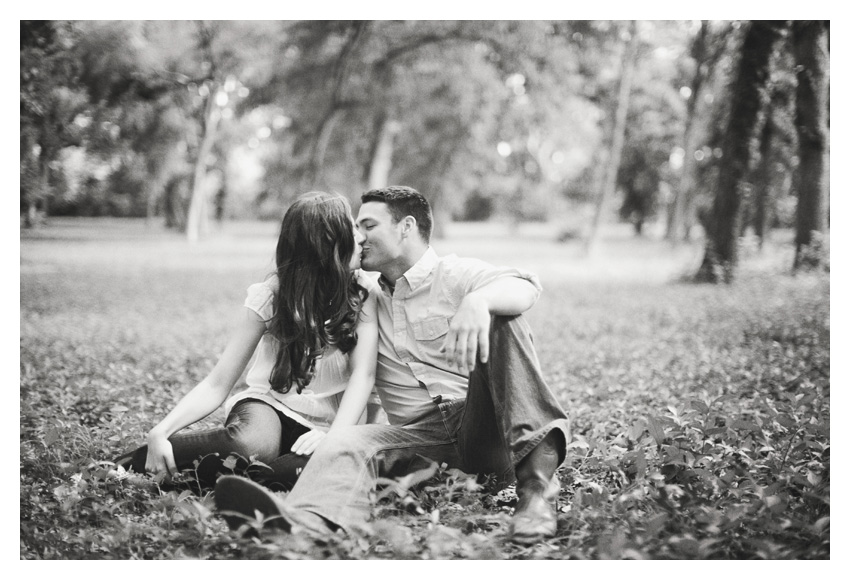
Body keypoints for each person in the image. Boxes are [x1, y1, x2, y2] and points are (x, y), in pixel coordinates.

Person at [214, 186, 570, 544]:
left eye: (368, 225)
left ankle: (538, 492)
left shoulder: (456, 275)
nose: (358, 236)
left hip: (481, 428)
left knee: (504, 319)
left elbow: (525, 288)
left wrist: (480, 301)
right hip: (417, 439)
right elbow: (313, 276)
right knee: (345, 440)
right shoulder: (362, 295)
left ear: (406, 227)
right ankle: (307, 530)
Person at [114, 191, 382, 492]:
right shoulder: (272, 296)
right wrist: (161, 430)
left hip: (327, 426)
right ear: (326, 245)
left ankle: (211, 483)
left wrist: (336, 435)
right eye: (352, 229)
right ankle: (122, 468)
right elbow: (218, 382)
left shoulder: (363, 293)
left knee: (291, 473)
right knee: (249, 446)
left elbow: (364, 375)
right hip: (269, 407)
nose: (360, 238)